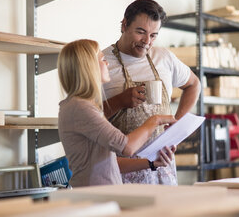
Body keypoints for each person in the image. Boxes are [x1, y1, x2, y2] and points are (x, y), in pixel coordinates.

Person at [103, 0, 201, 185]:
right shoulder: (101, 63)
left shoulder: (163, 57)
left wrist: (176, 125)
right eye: (141, 32)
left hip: (162, 165)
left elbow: (194, 84)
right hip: (122, 169)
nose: (147, 42)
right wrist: (120, 101)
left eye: (154, 35)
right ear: (124, 25)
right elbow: (89, 119)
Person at [57, 39, 177, 187]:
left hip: (103, 195)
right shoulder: (80, 108)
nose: (107, 63)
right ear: (89, 67)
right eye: (102, 59)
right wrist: (156, 120)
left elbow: (111, 163)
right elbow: (127, 147)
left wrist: (151, 163)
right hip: (96, 198)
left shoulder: (81, 106)